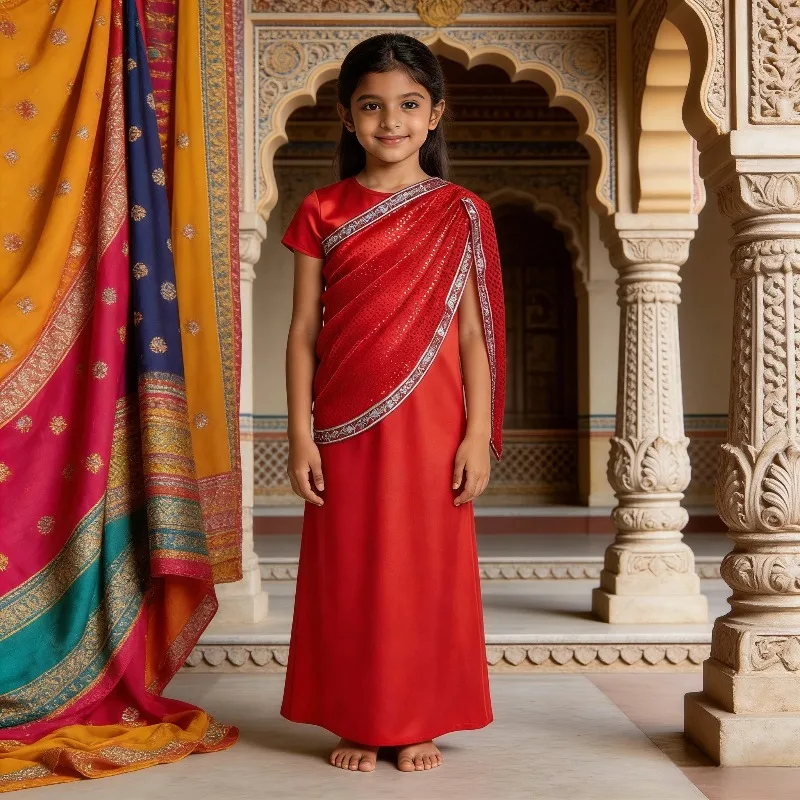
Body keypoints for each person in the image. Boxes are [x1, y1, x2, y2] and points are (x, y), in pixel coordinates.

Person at [280, 32, 507, 774]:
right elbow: (304, 331)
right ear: (347, 117)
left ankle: (418, 719)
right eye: (372, 106)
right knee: (352, 572)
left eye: (409, 105)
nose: (391, 122)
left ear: (435, 113)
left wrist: (477, 435)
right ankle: (357, 716)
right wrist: (300, 435)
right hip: (343, 424)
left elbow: (475, 334)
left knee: (424, 571)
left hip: (435, 423)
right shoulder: (323, 209)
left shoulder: (462, 211)